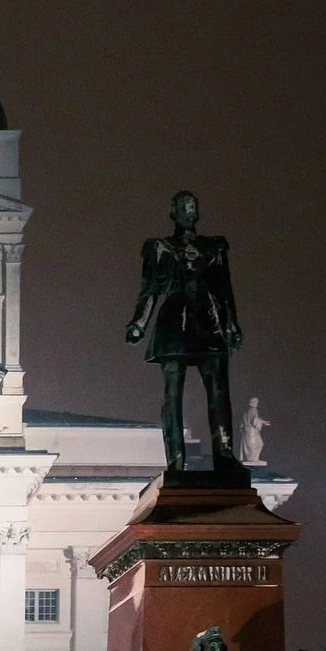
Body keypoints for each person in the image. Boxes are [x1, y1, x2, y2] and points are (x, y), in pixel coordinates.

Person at [125, 190, 242, 472]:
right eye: (183, 206)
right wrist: (139, 322)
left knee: (218, 390)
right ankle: (175, 460)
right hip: (174, 321)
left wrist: (231, 323)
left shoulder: (214, 247)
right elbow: (150, 288)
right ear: (173, 212)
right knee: (172, 394)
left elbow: (224, 289)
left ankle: (224, 454)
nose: (189, 209)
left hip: (208, 320)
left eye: (193, 206)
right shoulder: (159, 246)